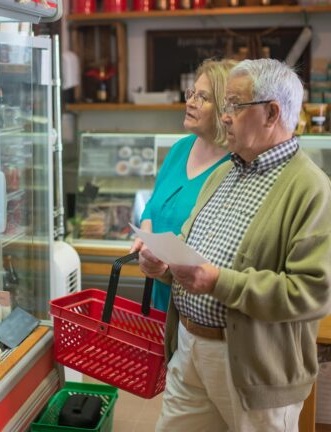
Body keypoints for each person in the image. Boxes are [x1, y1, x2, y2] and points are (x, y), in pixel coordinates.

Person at [138, 58, 331, 431]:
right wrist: (163, 266)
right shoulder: (226, 170)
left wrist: (217, 282)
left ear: (272, 113)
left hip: (254, 368)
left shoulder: (312, 190)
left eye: (234, 106)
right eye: (224, 105)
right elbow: (190, 244)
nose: (225, 116)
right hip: (189, 348)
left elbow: (311, 293)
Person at [130, 58, 236, 311]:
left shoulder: (236, 165)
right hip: (162, 300)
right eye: (192, 93)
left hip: (201, 306)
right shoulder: (180, 149)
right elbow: (153, 207)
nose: (190, 102)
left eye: (203, 97)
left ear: (226, 108)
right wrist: (147, 244)